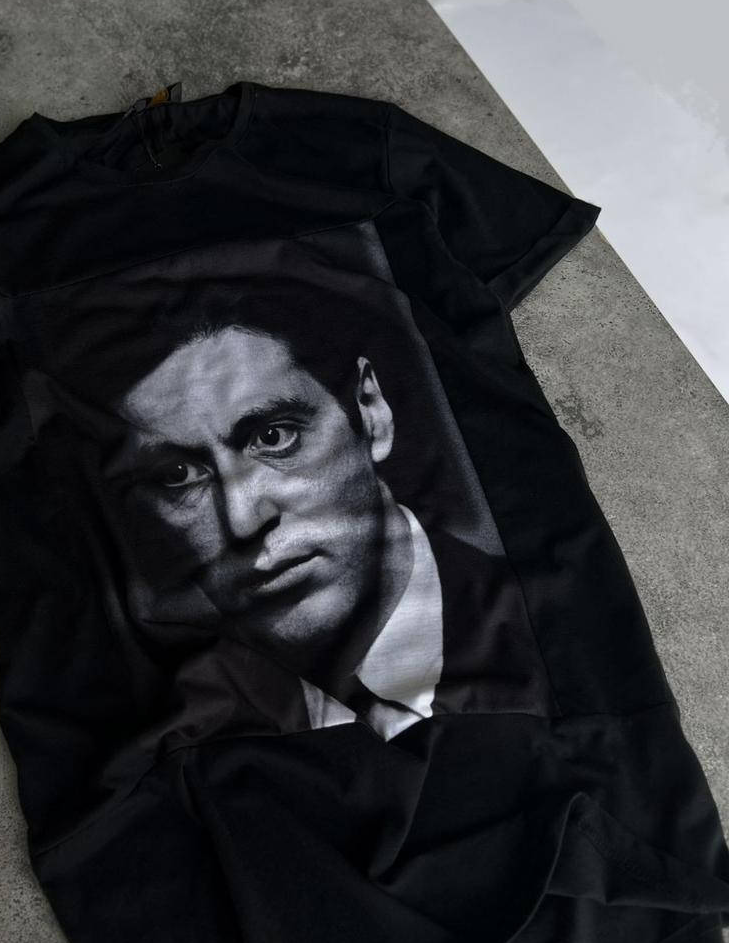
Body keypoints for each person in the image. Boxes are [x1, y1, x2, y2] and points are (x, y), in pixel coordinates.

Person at [62, 268, 552, 747]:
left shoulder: (548, 627)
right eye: (178, 475)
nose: (243, 520)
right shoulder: (158, 710)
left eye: (275, 437)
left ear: (371, 413)